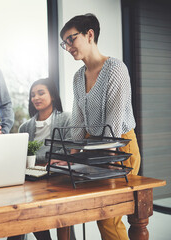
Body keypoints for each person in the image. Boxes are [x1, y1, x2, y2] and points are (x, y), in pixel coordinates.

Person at [59, 13, 141, 240]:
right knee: (100, 213)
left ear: (89, 35)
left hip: (121, 149)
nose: (67, 47)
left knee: (108, 215)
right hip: (95, 148)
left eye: (70, 39)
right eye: (64, 43)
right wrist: (71, 161)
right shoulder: (78, 77)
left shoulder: (115, 69)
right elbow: (77, 121)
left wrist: (90, 160)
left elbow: (112, 127)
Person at [8, 78, 73, 240]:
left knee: (62, 220)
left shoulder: (66, 119)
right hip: (32, 180)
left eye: (41, 93)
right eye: (33, 95)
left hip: (57, 179)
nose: (36, 98)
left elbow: (69, 152)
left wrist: (44, 160)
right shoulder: (25, 127)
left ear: (53, 96)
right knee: (21, 212)